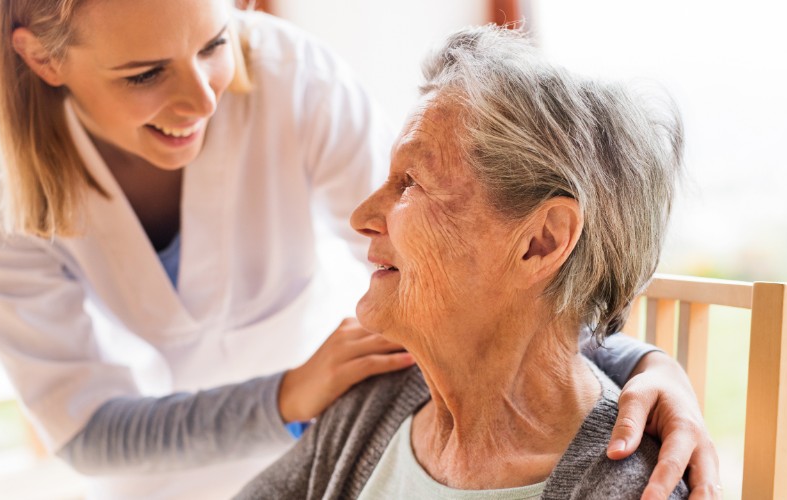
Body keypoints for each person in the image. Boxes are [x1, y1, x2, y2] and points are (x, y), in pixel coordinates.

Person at [0, 1, 717, 498]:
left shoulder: (288, 76)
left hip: (355, 388)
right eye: (144, 73)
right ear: (42, 59)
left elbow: (479, 264)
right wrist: (289, 399)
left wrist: (641, 364)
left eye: (215, 42)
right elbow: (84, 426)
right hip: (194, 462)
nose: (204, 97)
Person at [237, 25, 697, 500]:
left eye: (410, 182)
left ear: (541, 241)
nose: (362, 218)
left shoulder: (628, 488)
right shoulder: (374, 404)